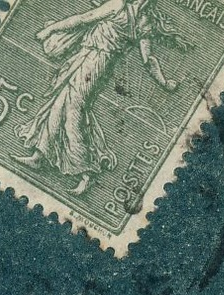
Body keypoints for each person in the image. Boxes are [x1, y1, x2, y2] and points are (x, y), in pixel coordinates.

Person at [14, 0, 181, 195]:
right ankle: (40, 155)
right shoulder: (144, 21)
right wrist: (164, 82)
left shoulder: (119, 5)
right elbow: (149, 60)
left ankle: (87, 171)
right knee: (59, 105)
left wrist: (50, 29)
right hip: (94, 65)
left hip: (93, 64)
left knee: (72, 113)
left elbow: (82, 19)